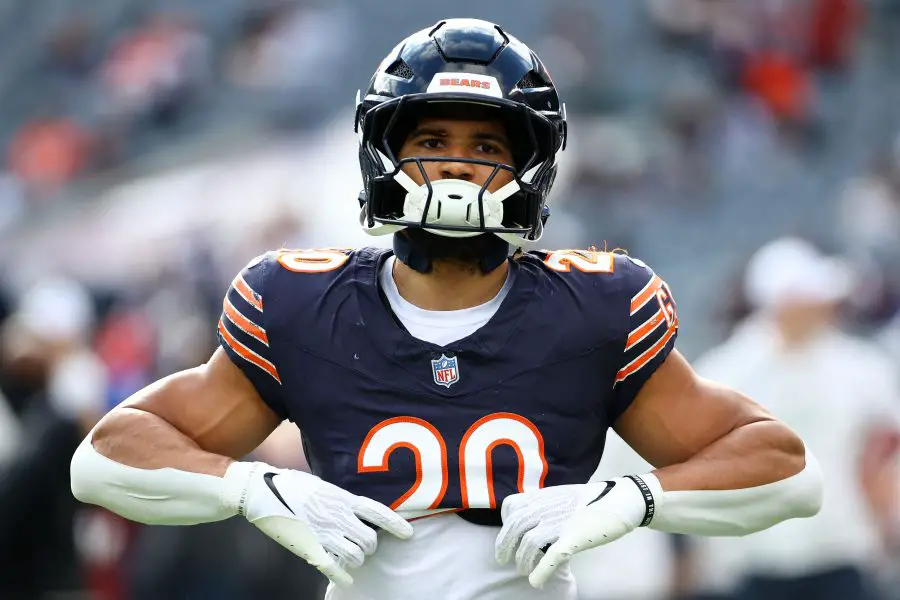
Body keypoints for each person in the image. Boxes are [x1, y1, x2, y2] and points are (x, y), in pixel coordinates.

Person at [71, 19, 823, 600]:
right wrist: (253, 488)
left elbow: (786, 472)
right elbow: (106, 458)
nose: (459, 163)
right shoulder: (304, 303)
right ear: (382, 152)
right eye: (431, 138)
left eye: (487, 145)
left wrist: (635, 499)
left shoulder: (593, 307)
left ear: (531, 166)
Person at [686, 237, 900, 600]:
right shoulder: (728, 372)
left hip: (840, 549)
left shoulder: (859, 366)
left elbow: (887, 448)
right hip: (759, 558)